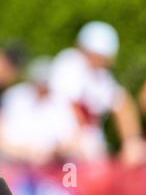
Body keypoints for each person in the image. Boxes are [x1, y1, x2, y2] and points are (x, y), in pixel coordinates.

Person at [47, 21, 144, 165]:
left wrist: (132, 140)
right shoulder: (69, 63)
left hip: (82, 152)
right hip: (59, 150)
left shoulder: (101, 76)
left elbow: (121, 103)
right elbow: (73, 107)